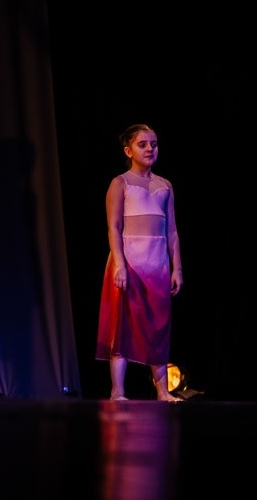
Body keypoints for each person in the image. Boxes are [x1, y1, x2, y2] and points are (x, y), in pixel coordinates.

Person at [95, 124, 183, 401]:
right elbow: (113, 227)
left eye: (153, 144)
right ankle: (118, 391)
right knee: (121, 325)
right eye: (142, 144)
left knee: (159, 325)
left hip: (157, 264)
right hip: (129, 262)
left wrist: (177, 268)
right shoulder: (120, 183)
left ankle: (162, 390)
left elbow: (172, 231)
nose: (149, 149)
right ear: (128, 150)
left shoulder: (165, 185)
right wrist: (120, 264)